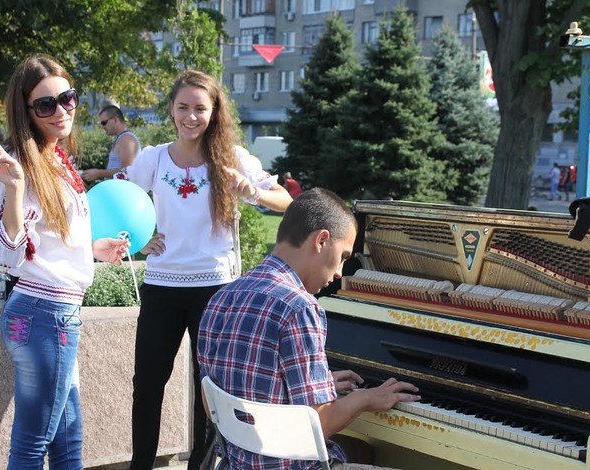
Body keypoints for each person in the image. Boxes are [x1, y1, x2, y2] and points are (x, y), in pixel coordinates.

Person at [0, 54, 129, 469]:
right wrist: (15, 190)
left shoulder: (55, 158)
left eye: (67, 98)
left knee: (68, 439)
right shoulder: (17, 166)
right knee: (34, 443)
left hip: (53, 313)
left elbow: (50, 240)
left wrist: (94, 248)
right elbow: (8, 254)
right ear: (27, 110)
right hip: (43, 314)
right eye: (46, 104)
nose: (61, 110)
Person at [122, 70, 293, 470]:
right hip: (161, 287)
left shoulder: (231, 158)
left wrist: (251, 191)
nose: (191, 116)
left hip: (216, 290)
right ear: (171, 110)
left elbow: (286, 201)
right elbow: (119, 204)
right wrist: (139, 240)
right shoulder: (153, 158)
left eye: (200, 108)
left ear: (214, 112)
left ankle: (201, 465)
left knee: (209, 391)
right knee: (147, 386)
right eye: (183, 107)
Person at [198, 189, 420, 469]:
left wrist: (317, 385)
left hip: (236, 464)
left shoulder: (222, 298)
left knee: (360, 451)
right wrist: (366, 398)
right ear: (322, 240)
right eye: (342, 256)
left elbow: (212, 404)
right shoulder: (299, 308)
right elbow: (320, 423)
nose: (340, 272)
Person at [81, 105, 140, 182]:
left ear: (115, 119)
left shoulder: (127, 139)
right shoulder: (122, 138)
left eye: (104, 122)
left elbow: (127, 172)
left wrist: (99, 173)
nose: (102, 126)